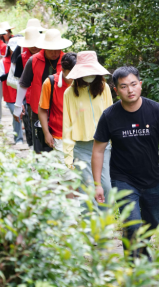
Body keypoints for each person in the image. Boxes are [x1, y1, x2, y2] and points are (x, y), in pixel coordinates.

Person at [91, 66, 159, 258]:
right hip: (122, 178)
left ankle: (137, 251)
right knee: (132, 224)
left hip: (151, 177)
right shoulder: (109, 116)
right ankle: (139, 267)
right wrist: (98, 184)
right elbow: (98, 151)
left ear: (140, 85)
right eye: (123, 86)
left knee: (152, 223)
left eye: (133, 84)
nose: (130, 90)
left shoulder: (155, 110)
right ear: (116, 90)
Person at [62, 51, 113, 209]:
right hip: (81, 148)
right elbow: (67, 125)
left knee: (106, 187)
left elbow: (112, 117)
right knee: (87, 190)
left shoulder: (104, 89)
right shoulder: (69, 93)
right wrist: (68, 156)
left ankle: (105, 227)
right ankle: (90, 230)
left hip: (103, 146)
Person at [13, 29, 72, 152]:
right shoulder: (34, 60)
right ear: (45, 47)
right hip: (38, 108)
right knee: (40, 145)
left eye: (57, 49)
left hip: (62, 110)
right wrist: (18, 106)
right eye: (51, 49)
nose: (55, 53)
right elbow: (23, 83)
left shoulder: (68, 61)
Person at [38, 53, 76, 152]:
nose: (74, 77)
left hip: (80, 136)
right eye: (71, 73)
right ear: (62, 70)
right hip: (59, 136)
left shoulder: (82, 82)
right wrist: (46, 133)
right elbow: (42, 109)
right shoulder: (50, 83)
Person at [12, 26, 43, 146]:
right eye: (31, 44)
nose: (34, 47)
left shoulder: (48, 56)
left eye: (35, 43)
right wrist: (20, 103)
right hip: (30, 98)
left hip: (49, 97)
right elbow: (20, 82)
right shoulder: (22, 58)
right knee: (32, 126)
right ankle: (34, 150)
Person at [0, 36, 24, 145]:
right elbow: (0, 77)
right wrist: (12, 71)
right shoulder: (3, 61)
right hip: (9, 94)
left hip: (23, 94)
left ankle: (23, 135)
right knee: (17, 115)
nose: (14, 51)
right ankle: (18, 139)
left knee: (24, 115)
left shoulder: (24, 59)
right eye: (12, 48)